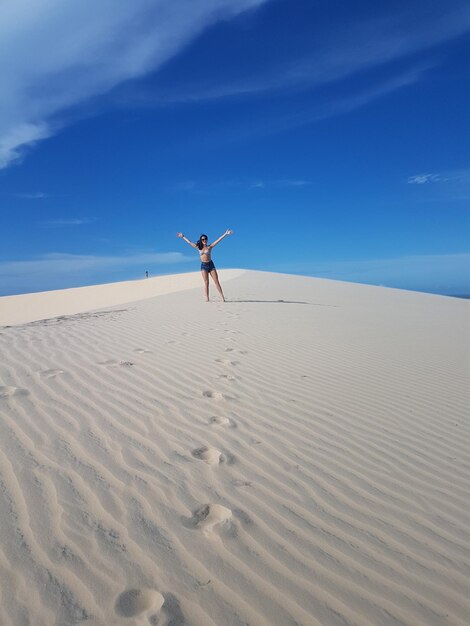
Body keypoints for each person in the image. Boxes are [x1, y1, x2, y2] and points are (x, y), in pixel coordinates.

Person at [177, 229, 233, 301]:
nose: (204, 240)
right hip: (204, 266)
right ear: (201, 240)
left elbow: (218, 240)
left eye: (205, 239)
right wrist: (183, 236)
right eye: (203, 239)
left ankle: (222, 297)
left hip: (211, 265)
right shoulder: (198, 247)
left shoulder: (210, 247)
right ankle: (207, 298)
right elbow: (189, 242)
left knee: (216, 281)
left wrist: (225, 234)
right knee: (206, 282)